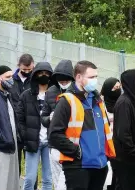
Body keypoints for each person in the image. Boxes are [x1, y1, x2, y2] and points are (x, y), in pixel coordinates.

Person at [49, 60, 116, 190]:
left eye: (96, 77)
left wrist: (105, 156)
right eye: (91, 77)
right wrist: (77, 152)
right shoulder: (66, 101)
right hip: (78, 167)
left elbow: (104, 130)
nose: (95, 80)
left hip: (100, 165)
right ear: (78, 77)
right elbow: (54, 135)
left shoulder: (97, 100)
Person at [111, 69, 135, 190]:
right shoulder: (124, 103)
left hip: (133, 162)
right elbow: (123, 134)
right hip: (127, 162)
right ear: (133, 83)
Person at [17, 62, 53, 190]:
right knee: (30, 178)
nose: (43, 76)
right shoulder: (26, 95)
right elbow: (19, 118)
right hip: (33, 142)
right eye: (41, 73)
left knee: (48, 179)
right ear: (35, 75)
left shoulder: (55, 95)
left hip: (50, 142)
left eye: (46, 74)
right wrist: (25, 135)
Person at [40, 59, 74, 190]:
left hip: (72, 143)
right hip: (55, 145)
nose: (64, 83)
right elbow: (43, 118)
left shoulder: (77, 92)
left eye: (66, 80)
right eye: (61, 81)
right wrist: (50, 118)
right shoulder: (51, 91)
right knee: (57, 182)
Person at [100, 77, 121, 190]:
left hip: (118, 146)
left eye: (119, 87)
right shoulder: (100, 105)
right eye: (115, 88)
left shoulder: (122, 104)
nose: (117, 90)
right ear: (108, 89)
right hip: (105, 147)